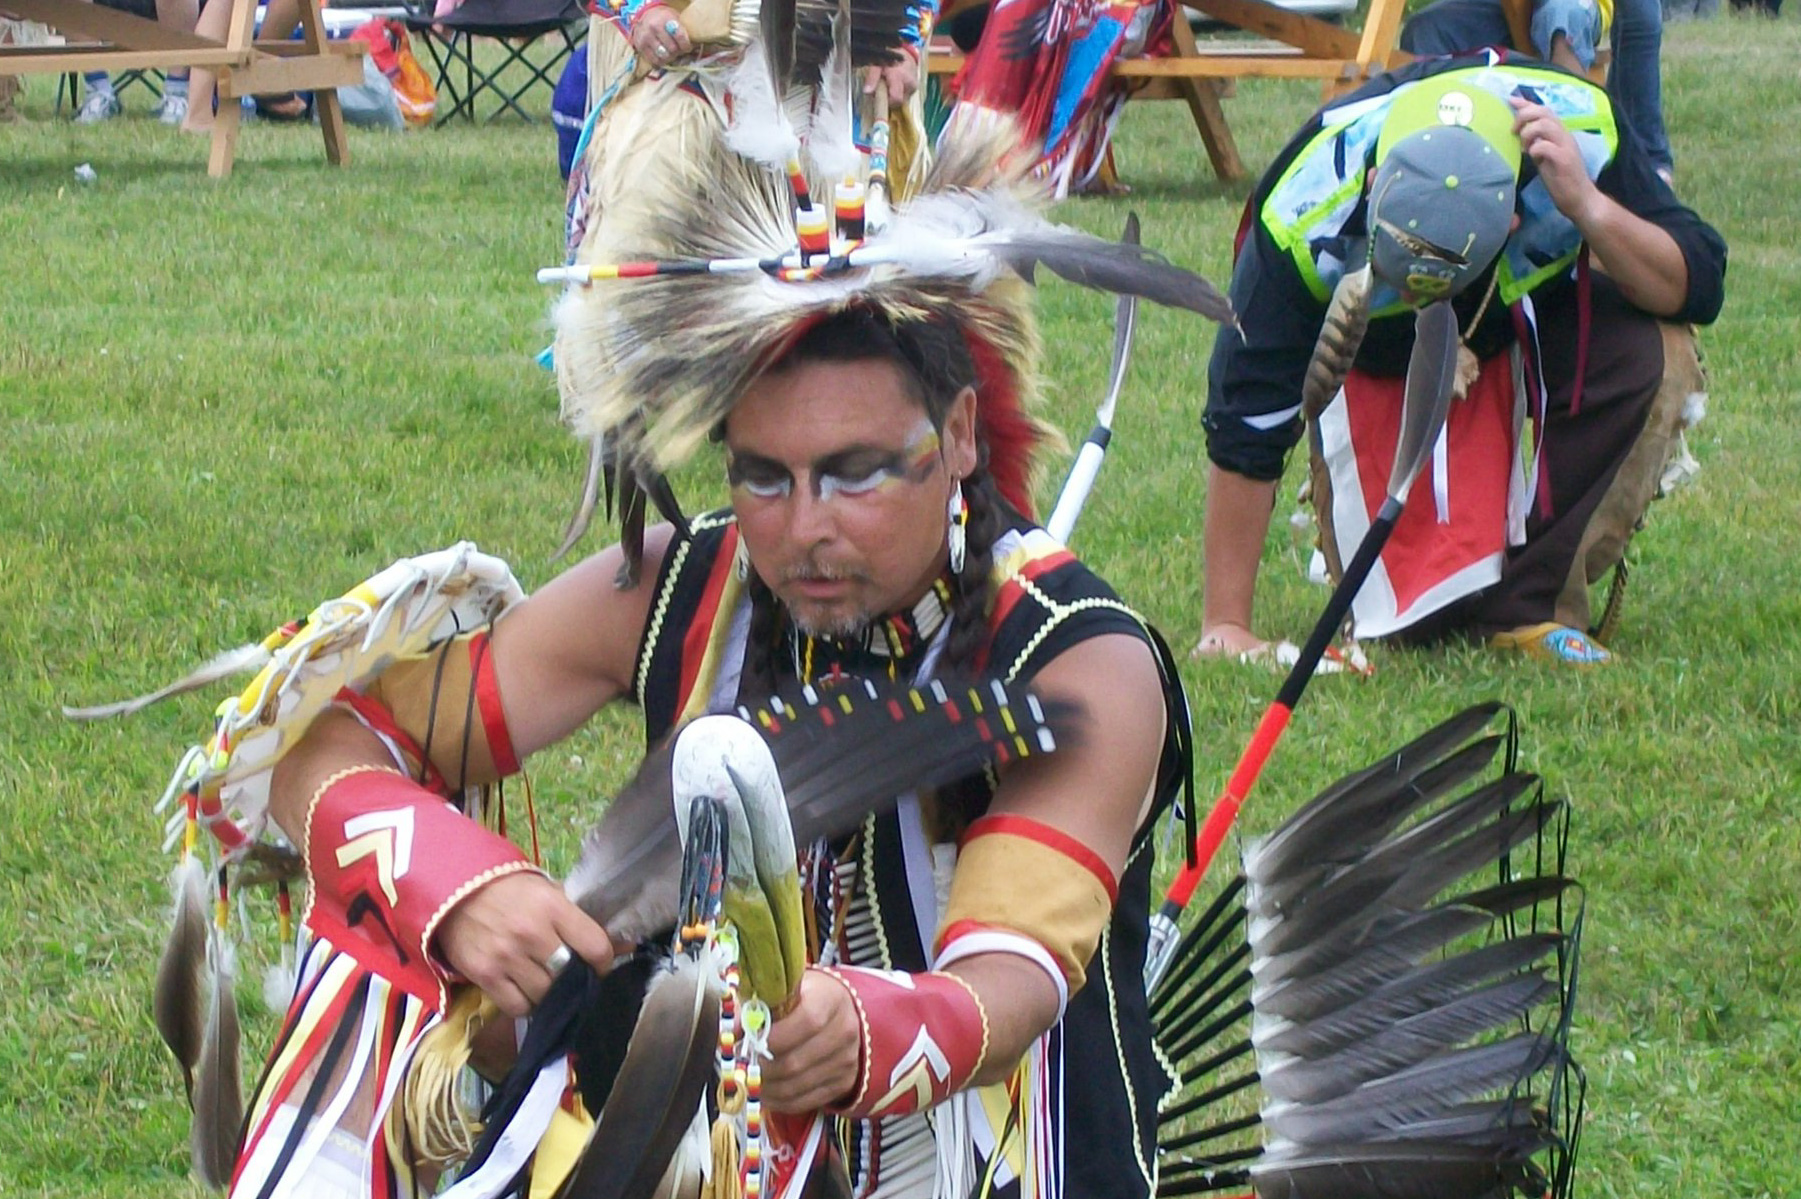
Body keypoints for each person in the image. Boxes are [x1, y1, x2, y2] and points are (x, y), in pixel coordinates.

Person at [111, 84, 1219, 1194]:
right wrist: (455, 886)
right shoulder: (689, 588)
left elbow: (1010, 977)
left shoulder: (1079, 659)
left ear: (961, 433)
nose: (804, 527)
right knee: (382, 933)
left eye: (855, 472)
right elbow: (322, 741)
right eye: (762, 476)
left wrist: (862, 1029)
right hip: (702, 1146)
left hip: (1004, 1166)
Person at [1196, 53, 1725, 665]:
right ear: (1373, 187)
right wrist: (1225, 623)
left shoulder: (1584, 131)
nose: (1425, 291)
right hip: (1379, 371)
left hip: (1523, 327)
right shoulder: (1304, 212)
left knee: (1655, 352)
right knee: (1413, 627)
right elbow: (1248, 411)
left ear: (1514, 220)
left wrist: (1589, 205)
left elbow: (1698, 282)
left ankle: (1534, 601)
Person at [1402, 0, 1675, 181]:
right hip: (1501, 7)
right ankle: (1434, 169)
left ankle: (1580, 166)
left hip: (1571, 5)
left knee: (1563, 17)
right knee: (1426, 28)